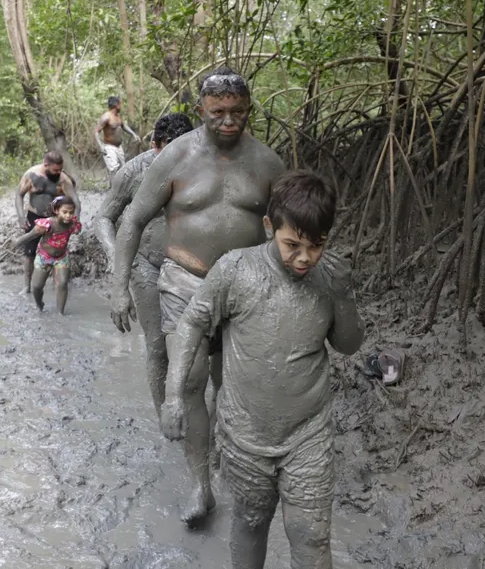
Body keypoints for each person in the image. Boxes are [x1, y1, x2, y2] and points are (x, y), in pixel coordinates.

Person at [161, 171, 364, 569]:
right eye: (292, 245)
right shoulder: (236, 270)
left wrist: (344, 296)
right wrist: (173, 395)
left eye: (317, 246)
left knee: (311, 536)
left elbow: (348, 344)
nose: (304, 257)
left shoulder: (327, 280)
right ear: (270, 227)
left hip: (307, 436)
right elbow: (192, 324)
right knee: (250, 523)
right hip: (244, 437)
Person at [109, 67, 285, 525]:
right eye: (218, 113)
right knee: (189, 381)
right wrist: (118, 287)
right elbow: (130, 221)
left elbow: (293, 228)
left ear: (250, 111)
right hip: (184, 282)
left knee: (235, 386)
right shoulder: (174, 157)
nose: (229, 121)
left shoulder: (268, 163)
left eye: (238, 112)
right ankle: (200, 485)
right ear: (200, 111)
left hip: (246, 286)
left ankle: (237, 465)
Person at [94, 113, 195, 417]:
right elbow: (103, 219)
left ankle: (200, 417)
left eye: (184, 149)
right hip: (145, 264)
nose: (177, 158)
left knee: (201, 344)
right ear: (154, 145)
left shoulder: (205, 165)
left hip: (192, 266)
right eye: (169, 150)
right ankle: (165, 418)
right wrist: (118, 267)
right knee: (159, 346)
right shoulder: (133, 172)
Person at [14, 151, 81, 295]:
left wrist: (76, 220)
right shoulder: (31, 175)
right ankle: (27, 286)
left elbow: (76, 201)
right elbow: (19, 195)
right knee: (29, 252)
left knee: (56, 250)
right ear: (46, 165)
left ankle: (57, 283)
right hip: (34, 217)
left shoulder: (63, 180)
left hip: (55, 220)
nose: (59, 172)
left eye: (60, 169)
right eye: (55, 170)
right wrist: (20, 216)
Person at [9, 196, 81, 315]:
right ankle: (39, 305)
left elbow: (77, 229)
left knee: (62, 283)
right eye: (65, 212)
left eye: (71, 213)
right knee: (37, 287)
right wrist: (17, 242)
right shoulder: (47, 224)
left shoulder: (72, 223)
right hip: (44, 257)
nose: (68, 215)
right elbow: (30, 235)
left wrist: (77, 228)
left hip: (61, 257)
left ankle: (60, 313)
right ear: (57, 211)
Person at [95, 95, 139, 178]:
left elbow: (124, 126)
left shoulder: (118, 116)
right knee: (114, 170)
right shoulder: (106, 117)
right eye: (120, 104)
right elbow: (96, 132)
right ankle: (114, 190)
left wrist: (133, 134)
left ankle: (121, 189)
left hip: (119, 148)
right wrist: (100, 146)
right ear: (116, 105)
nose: (121, 106)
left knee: (123, 169)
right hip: (109, 148)